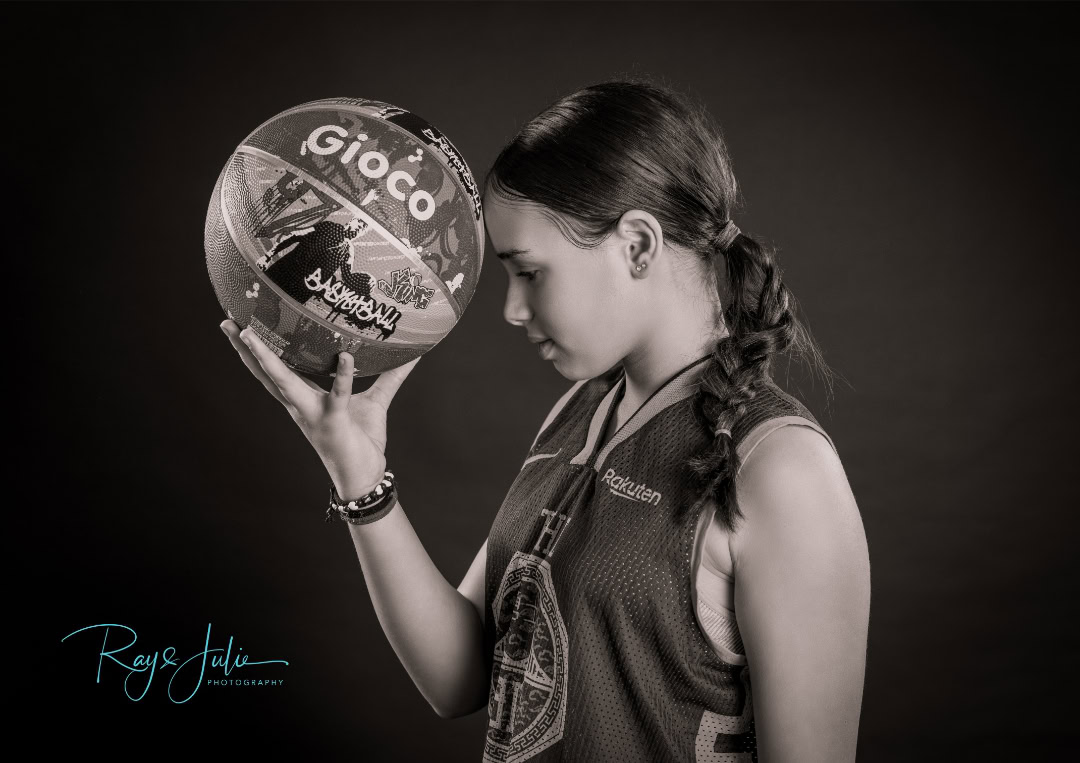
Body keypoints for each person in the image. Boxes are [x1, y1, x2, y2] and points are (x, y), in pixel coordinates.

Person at [220, 78, 870, 763]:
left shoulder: (783, 469)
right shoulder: (582, 409)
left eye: (528, 272)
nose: (512, 310)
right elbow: (458, 677)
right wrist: (359, 476)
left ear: (639, 247)